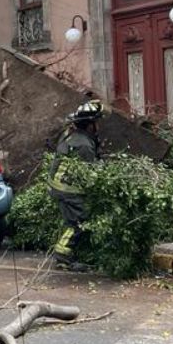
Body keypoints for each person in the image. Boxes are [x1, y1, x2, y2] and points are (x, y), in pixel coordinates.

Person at [48, 99, 103, 271]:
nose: (98, 127)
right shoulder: (84, 145)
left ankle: (70, 252)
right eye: (96, 123)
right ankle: (63, 256)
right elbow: (90, 174)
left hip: (59, 185)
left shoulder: (71, 135)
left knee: (73, 220)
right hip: (67, 189)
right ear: (89, 126)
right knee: (78, 222)